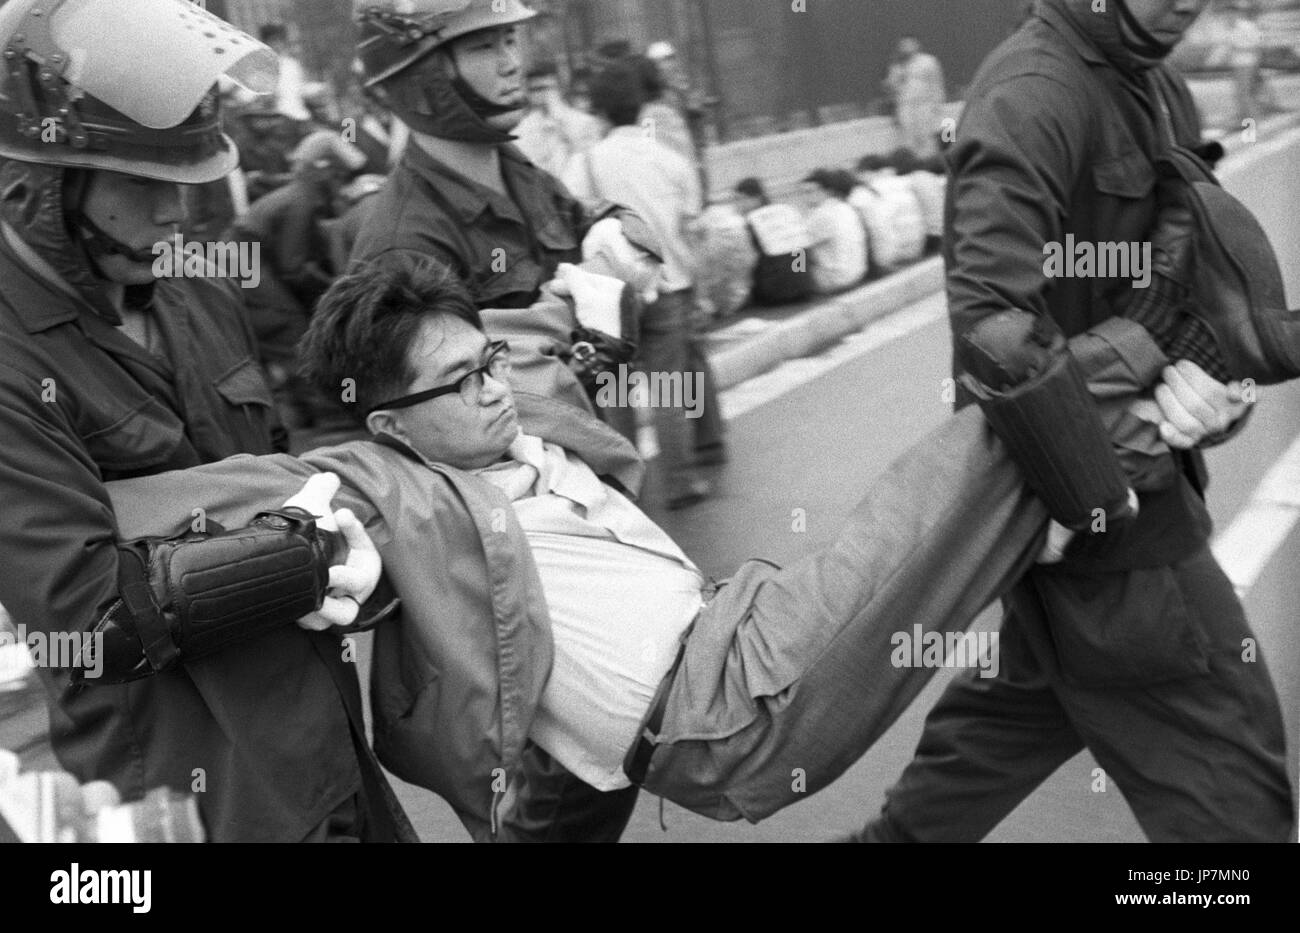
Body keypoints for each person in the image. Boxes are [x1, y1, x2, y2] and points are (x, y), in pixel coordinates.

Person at [106, 227, 1300, 839]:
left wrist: (606, 255)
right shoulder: (389, 489)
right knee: (983, 447)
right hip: (726, 703)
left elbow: (553, 319)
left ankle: (1180, 394)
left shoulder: (503, 398)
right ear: (389, 419)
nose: (489, 391)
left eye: (484, 363)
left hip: (749, 624)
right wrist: (260, 562)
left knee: (1019, 495)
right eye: (457, 382)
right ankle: (1182, 341)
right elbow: (260, 506)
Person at [848, 0, 1295, 842]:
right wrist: (1092, 496)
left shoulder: (1149, 81)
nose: (1190, 3)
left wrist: (1215, 382)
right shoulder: (1034, 92)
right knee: (1237, 816)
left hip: (1085, 512)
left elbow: (1181, 275)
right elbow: (992, 326)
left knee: (1015, 719)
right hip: (1107, 521)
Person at [0, 0, 409, 843]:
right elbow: (93, 618)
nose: (179, 214)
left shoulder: (194, 288)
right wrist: (313, 545)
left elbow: (281, 464)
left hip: (321, 749)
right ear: (41, 185)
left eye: (190, 180)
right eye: (144, 185)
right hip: (180, 799)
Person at [347, 0, 647, 841]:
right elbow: (438, 431)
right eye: (484, 47)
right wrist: (564, 338)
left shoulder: (516, 172)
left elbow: (594, 270)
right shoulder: (403, 242)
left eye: (513, 39)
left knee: (609, 772)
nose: (516, 61)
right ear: (421, 75)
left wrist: (608, 260)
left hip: (587, 517)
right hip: (518, 574)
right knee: (557, 802)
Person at [563, 59, 727, 508]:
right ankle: (682, 480)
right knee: (670, 386)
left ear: (598, 112)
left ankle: (627, 491)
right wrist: (699, 285)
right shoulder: (671, 160)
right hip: (668, 286)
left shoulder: (585, 164)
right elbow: (693, 227)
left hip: (610, 299)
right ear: (643, 107)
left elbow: (569, 225)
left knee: (616, 392)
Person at [226, 130, 367, 428]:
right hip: (245, 265)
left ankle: (307, 411)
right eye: (339, 175)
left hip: (245, 263)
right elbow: (294, 268)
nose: (341, 184)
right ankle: (336, 412)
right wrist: (336, 290)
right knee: (293, 334)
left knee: (285, 334)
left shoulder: (298, 194)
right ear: (324, 172)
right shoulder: (301, 201)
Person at [512, 60, 604, 180]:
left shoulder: (585, 122)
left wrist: (559, 122)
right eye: (535, 89)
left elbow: (591, 162)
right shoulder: (520, 130)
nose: (542, 94)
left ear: (559, 88)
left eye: (547, 88)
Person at [732, 177, 815, 306]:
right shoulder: (787, 210)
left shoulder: (751, 220)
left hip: (774, 295)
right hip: (805, 287)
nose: (737, 205)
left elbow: (745, 261)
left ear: (756, 198)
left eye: (739, 199)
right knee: (796, 251)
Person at [802, 168, 868, 294]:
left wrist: (797, 273)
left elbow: (800, 246)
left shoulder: (821, 214)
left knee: (797, 251)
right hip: (857, 273)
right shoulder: (845, 207)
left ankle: (799, 287)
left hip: (835, 280)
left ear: (827, 191)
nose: (806, 197)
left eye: (810, 192)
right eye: (804, 193)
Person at [885, 37, 946, 157]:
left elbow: (937, 82)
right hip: (905, 105)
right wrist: (896, 77)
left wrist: (937, 103)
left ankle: (929, 160)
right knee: (908, 135)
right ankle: (912, 162)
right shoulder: (898, 65)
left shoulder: (929, 61)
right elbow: (892, 86)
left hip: (925, 104)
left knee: (926, 134)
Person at [260, 22, 311, 123]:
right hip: (276, 119)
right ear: (265, 42)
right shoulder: (261, 67)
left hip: (300, 116)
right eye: (273, 41)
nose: (277, 44)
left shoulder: (292, 64)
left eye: (280, 40)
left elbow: (300, 89)